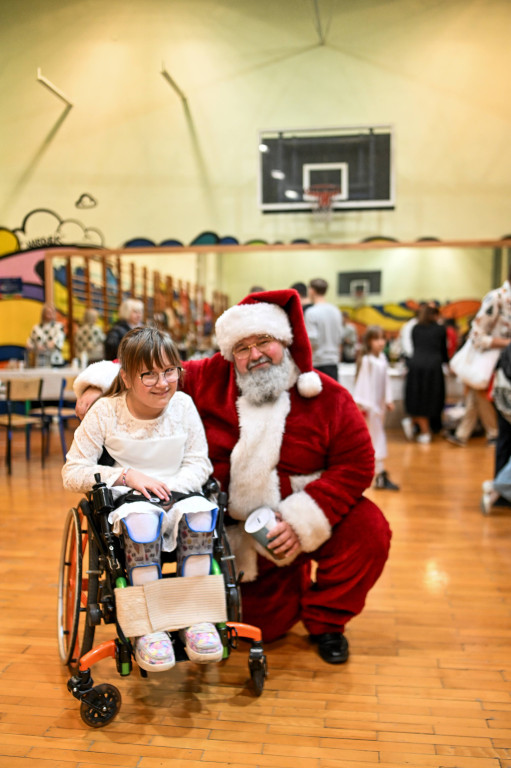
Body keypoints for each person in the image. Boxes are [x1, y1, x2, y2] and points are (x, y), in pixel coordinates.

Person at [74, 289, 392, 665]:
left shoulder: (327, 397)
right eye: (242, 347)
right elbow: (144, 367)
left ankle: (328, 623)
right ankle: (186, 611)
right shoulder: (208, 378)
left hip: (287, 525)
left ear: (285, 342)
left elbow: (356, 464)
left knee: (369, 527)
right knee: (265, 627)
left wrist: (299, 520)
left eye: (264, 342)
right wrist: (98, 386)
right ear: (229, 354)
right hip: (220, 529)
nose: (254, 354)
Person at [62, 326, 222, 671]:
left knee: (200, 515)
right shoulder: (106, 411)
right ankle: (148, 629)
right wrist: (126, 476)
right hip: (129, 500)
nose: (162, 383)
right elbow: (72, 471)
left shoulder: (183, 405)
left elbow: (199, 462)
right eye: (148, 374)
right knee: (142, 521)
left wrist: (173, 491)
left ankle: (197, 621)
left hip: (180, 493)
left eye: (169, 371)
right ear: (127, 377)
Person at [353, 326, 399, 491]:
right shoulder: (367, 361)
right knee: (376, 438)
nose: (380, 343)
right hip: (370, 408)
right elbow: (363, 384)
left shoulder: (382, 359)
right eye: (376, 339)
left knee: (377, 437)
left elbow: (386, 381)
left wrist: (388, 399)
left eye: (382, 339)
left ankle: (378, 472)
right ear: (368, 342)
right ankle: (379, 472)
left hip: (379, 408)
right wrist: (363, 404)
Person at [404, 304, 448, 443]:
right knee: (432, 400)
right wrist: (448, 362)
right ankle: (424, 429)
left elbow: (413, 347)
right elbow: (443, 350)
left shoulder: (415, 328)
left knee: (417, 398)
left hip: (416, 365)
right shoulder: (440, 329)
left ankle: (414, 423)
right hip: (433, 367)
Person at [305, 278, 343, 381]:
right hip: (333, 362)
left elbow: (312, 340)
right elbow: (339, 338)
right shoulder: (336, 311)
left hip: (318, 363)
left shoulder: (311, 312)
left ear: (312, 290)